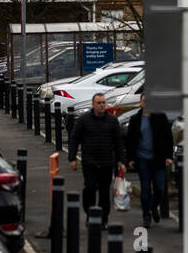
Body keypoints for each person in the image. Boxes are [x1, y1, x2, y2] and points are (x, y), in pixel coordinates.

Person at [68, 92, 125, 225]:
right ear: (93, 105)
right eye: (99, 103)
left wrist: (121, 161)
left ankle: (103, 218)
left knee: (104, 193)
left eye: (103, 103)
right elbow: (74, 139)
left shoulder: (112, 121)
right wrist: (72, 158)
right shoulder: (83, 120)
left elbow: (118, 143)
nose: (101, 105)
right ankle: (90, 214)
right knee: (90, 189)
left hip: (106, 162)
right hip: (90, 162)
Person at [124, 89, 174, 226]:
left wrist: (169, 156)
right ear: (140, 102)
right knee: (145, 188)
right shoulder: (135, 119)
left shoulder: (161, 117)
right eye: (144, 101)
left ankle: (153, 206)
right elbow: (130, 141)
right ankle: (146, 215)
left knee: (159, 188)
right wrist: (130, 159)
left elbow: (168, 138)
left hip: (158, 158)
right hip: (142, 159)